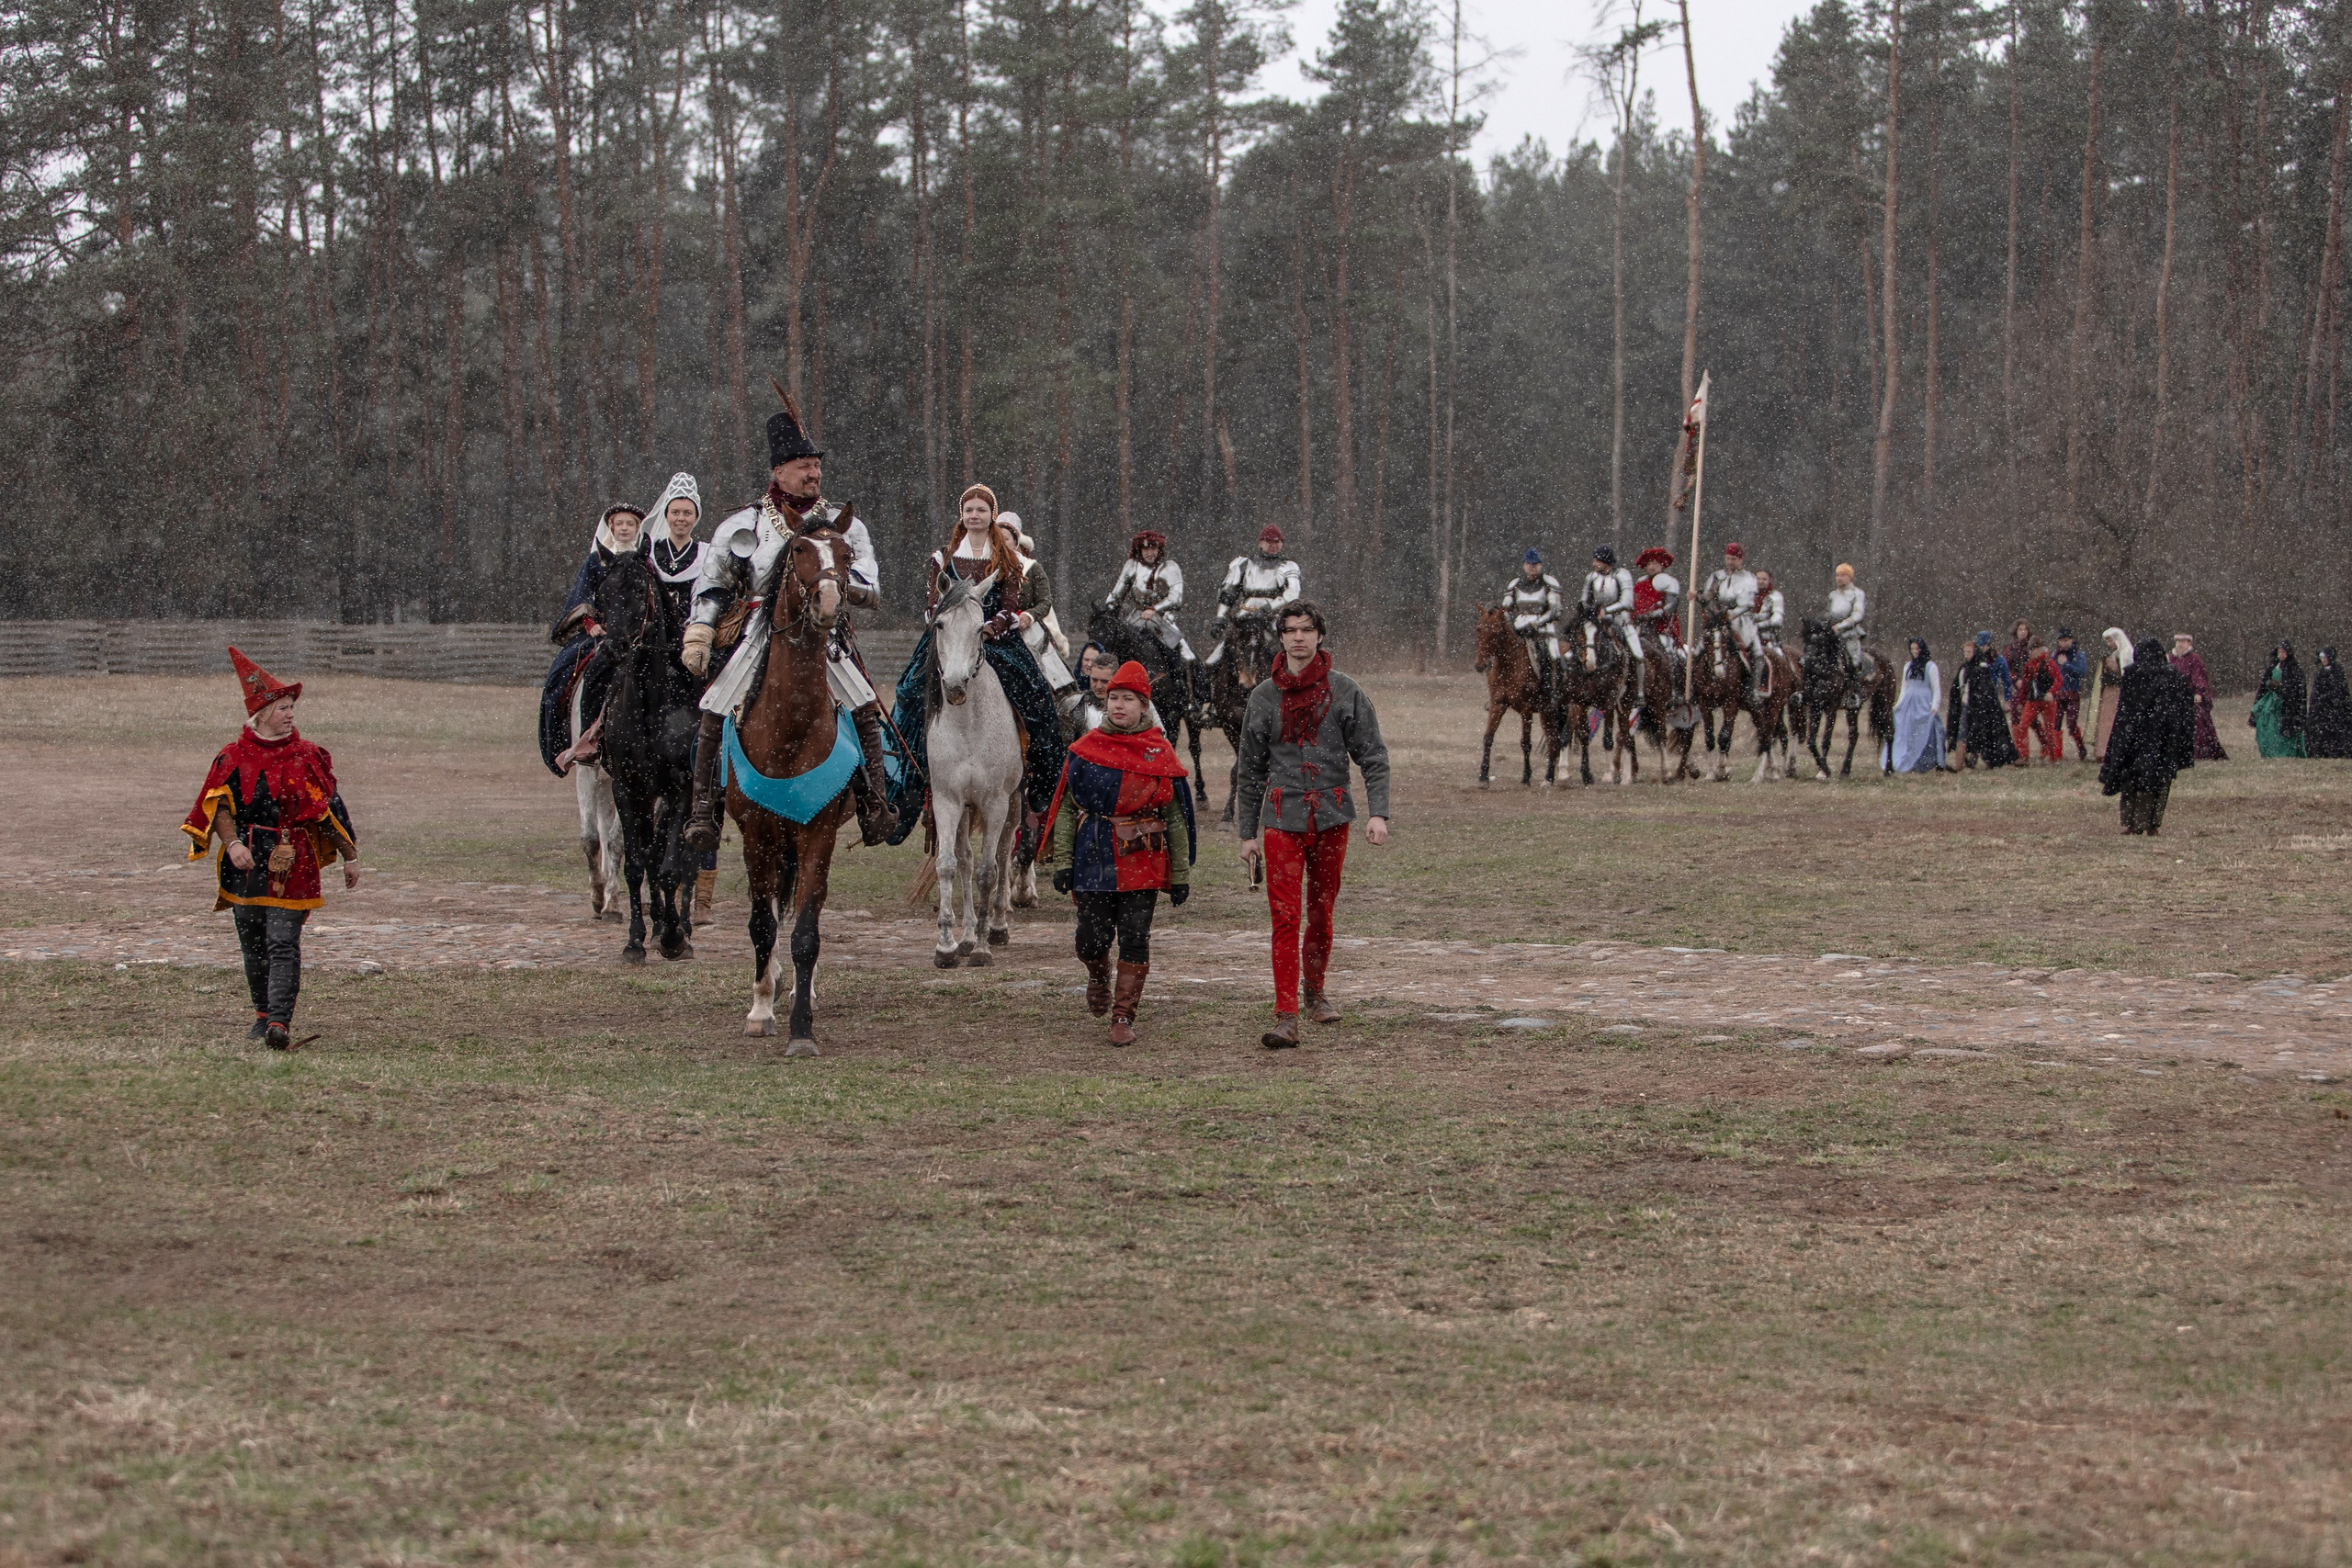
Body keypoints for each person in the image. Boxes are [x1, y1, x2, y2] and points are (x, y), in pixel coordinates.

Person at [680, 391, 897, 850]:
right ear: (779, 471)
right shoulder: (744, 524)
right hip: (759, 633)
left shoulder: (844, 524)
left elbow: (872, 589)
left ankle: (874, 803)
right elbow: (712, 584)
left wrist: (831, 588)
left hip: (825, 634)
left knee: (863, 705)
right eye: (802, 463)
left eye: (816, 463)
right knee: (716, 705)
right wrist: (700, 631)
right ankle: (704, 810)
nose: (813, 471)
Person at [181, 649, 360, 1051]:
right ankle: (261, 1016)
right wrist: (231, 844)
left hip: (293, 859)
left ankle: (280, 1021)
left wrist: (350, 856)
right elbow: (219, 805)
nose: (291, 714)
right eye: (283, 707)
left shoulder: (307, 755)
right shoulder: (232, 755)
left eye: (292, 707)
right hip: (246, 861)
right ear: (260, 713)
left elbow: (328, 807)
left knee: (282, 940)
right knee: (253, 940)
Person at [1235, 602, 1391, 1050]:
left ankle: (1315, 991)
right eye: (1291, 630)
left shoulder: (1345, 692)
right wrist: (1247, 833)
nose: (1299, 638)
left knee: (1321, 914)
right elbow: (1250, 769)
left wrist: (1378, 812)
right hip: (1281, 819)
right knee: (1284, 917)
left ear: (1319, 635)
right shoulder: (1263, 696)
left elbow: (1373, 756)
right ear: (1280, 637)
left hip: (1331, 816)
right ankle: (1286, 1015)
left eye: (1307, 630)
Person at [888, 484, 1069, 840]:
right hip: (949, 636)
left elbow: (1009, 602)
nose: (974, 515)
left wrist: (994, 625)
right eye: (968, 509)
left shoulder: (1009, 560)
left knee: (1036, 696)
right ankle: (910, 777)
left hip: (994, 640)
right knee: (908, 693)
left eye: (981, 510)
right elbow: (931, 602)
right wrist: (944, 622)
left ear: (991, 516)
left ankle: (1036, 774)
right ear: (962, 515)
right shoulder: (942, 557)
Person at [1043, 660, 1195, 1046]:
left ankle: (1124, 1015)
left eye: (1128, 699)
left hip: (1142, 855)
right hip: (1092, 851)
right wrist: (1063, 862)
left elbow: (1176, 819)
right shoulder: (1085, 750)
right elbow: (1066, 807)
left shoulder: (1158, 752)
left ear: (1144, 706)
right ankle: (1097, 975)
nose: (1119, 705)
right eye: (1113, 698)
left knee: (1134, 936)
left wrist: (1180, 875)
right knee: (1090, 939)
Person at [645, 471, 717, 917]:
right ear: (666, 516)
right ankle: (594, 734)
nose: (681, 519)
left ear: (696, 518)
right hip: (652, 649)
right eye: (675, 512)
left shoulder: (708, 555)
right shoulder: (648, 554)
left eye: (688, 513)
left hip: (693, 650)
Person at [539, 502, 647, 776]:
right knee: (560, 678)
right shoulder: (596, 560)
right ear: (611, 527)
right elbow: (582, 595)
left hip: (637, 635)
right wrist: (590, 624)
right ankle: (578, 740)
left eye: (629, 524)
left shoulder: (645, 560)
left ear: (637, 529)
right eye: (619, 524)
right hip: (601, 634)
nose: (624, 528)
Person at [2101, 637, 2197, 834]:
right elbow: (2183, 707)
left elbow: (2125, 709)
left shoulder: (2133, 674)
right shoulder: (2172, 674)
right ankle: (2152, 824)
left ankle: (2132, 823)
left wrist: (2124, 735)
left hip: (2136, 735)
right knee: (2159, 781)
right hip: (2163, 736)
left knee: (2133, 779)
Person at [1105, 530, 1200, 709]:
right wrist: (1105, 609)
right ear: (1139, 550)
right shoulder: (1131, 565)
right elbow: (1117, 593)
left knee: (1185, 657)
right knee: (1114, 650)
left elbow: (1176, 598)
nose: (1149, 553)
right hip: (1135, 618)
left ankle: (1188, 699)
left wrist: (1154, 608)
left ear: (1159, 549)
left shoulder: (1170, 567)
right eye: (1145, 549)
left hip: (1163, 620)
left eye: (1153, 548)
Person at [997, 510, 1080, 706]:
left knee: (1054, 675)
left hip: (1028, 628)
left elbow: (1045, 602)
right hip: (996, 628)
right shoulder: (986, 567)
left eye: (1006, 538)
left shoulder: (1031, 567)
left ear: (1016, 540)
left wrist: (1029, 616)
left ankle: (1062, 706)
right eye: (996, 538)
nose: (1001, 543)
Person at [1208, 525, 1303, 666]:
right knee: (1213, 662)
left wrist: (1266, 609)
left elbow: (1292, 594)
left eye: (1277, 542)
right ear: (1261, 543)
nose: (1273, 545)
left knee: (1288, 660)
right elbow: (1228, 594)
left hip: (1275, 618)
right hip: (1244, 616)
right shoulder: (1243, 564)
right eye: (1269, 541)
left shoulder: (1289, 566)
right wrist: (1220, 618)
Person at [1700, 542, 1764, 697]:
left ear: (1741, 559)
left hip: (1742, 622)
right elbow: (1708, 597)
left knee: (1757, 653)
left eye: (1734, 559)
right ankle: (1697, 688)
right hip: (1718, 622)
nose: (1730, 562)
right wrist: (1697, 596)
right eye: (1728, 558)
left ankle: (1752, 689)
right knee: (1700, 650)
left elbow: (1747, 603)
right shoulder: (1718, 576)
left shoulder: (1748, 579)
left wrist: (1731, 614)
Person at [1950, 630, 2021, 770]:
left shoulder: (1998, 660)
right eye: (1979, 645)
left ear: (1988, 645)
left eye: (1983, 645)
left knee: (1990, 730)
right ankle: (1968, 760)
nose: (1981, 648)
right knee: (1974, 730)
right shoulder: (1973, 662)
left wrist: (2007, 700)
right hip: (1975, 700)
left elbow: (2006, 681)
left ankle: (1991, 759)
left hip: (1989, 699)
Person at [1501, 548, 1565, 700]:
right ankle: (1500, 691)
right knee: (1501, 654)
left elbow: (1554, 610)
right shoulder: (1515, 584)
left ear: (1540, 565)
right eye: (1529, 564)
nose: (1532, 567)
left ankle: (1552, 691)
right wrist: (1510, 623)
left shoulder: (1549, 583)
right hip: (1520, 628)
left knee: (1553, 657)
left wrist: (1536, 624)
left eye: (1535, 564)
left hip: (1544, 630)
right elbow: (1506, 608)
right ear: (1524, 565)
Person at [1581, 544, 1643, 694]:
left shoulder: (1622, 575)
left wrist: (1607, 610)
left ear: (1605, 561)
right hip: (1596, 622)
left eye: (1597, 561)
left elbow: (1627, 601)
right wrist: (1590, 610)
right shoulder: (1591, 577)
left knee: (1638, 655)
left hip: (1621, 621)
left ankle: (1639, 691)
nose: (1594, 564)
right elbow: (1584, 600)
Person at [2170, 632, 2229, 761]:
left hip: (2190, 697)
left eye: (2183, 642)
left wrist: (2198, 692)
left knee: (2198, 725)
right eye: (2178, 641)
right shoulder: (2170, 659)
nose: (2180, 644)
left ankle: (2198, 752)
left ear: (2189, 643)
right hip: (2175, 698)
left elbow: (2199, 677)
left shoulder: (2194, 659)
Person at [1889, 637, 1944, 773]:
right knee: (1909, 733)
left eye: (1917, 649)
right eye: (1912, 649)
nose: (1914, 652)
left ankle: (1925, 761)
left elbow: (1936, 689)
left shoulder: (1931, 667)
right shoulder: (1908, 667)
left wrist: (1934, 706)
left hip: (1924, 703)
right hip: (1910, 703)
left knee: (1926, 732)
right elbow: (1904, 688)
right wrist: (1898, 705)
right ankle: (1909, 760)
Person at [2252, 640, 2308, 758]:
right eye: (2279, 652)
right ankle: (2270, 752)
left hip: (2286, 706)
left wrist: (2283, 688)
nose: (2281, 654)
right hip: (2272, 703)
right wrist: (2271, 684)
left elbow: (2297, 689)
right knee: (2267, 727)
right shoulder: (2273, 667)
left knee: (2284, 730)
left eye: (2283, 652)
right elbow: (2264, 684)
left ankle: (2284, 754)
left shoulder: (2294, 669)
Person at [2015, 635, 2064, 762]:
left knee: (2050, 730)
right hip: (2032, 701)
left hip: (2048, 702)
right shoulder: (2029, 666)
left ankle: (2053, 757)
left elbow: (2059, 680)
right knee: (2022, 726)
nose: (2030, 652)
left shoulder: (2049, 663)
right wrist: (2021, 701)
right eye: (2029, 649)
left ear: (2040, 649)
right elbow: (2025, 685)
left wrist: (2051, 692)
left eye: (2032, 649)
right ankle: (2023, 756)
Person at [1826, 563, 1868, 700]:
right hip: (1833, 635)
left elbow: (1858, 614)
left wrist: (1841, 626)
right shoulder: (1833, 595)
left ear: (1849, 577)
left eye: (1843, 575)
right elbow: (1828, 614)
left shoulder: (1857, 593)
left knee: (1853, 662)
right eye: (1837, 575)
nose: (1839, 578)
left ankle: (1855, 694)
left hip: (1850, 635)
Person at [2092, 627, 2132, 761]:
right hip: (2110, 694)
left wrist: (2117, 679)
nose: (2109, 644)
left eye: (2110, 640)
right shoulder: (2113, 655)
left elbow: (2127, 675)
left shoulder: (2127, 653)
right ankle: (2104, 751)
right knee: (2106, 721)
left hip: (2120, 693)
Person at [2052, 628, 2090, 760]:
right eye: (2062, 641)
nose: (2064, 643)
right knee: (2055, 724)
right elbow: (2050, 670)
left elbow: (2081, 672)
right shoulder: (2055, 654)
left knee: (2071, 724)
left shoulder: (2078, 654)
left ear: (2072, 640)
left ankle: (2080, 747)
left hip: (2073, 693)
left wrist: (2067, 665)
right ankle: (2057, 754)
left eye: (2066, 640)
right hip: (2058, 693)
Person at [2309, 648, 2352, 757]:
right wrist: (2316, 702)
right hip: (2322, 709)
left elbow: (2340, 691)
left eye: (2325, 658)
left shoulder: (2337, 671)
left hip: (2335, 709)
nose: (2323, 660)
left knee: (2335, 731)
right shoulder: (2320, 672)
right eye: (2322, 658)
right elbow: (2316, 690)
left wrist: (2328, 698)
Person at [1752, 568, 1786, 648]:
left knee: (1778, 656)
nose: (1760, 581)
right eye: (1758, 579)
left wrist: (1760, 625)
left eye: (1764, 579)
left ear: (1769, 580)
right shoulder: (1747, 595)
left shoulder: (1775, 596)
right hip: (1747, 635)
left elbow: (1778, 619)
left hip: (1766, 637)